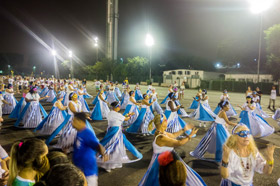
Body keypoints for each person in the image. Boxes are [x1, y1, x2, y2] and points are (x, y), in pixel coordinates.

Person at [138, 114, 206, 186]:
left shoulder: (161, 132)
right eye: (166, 120)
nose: (167, 121)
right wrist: (190, 135)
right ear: (163, 123)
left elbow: (173, 135)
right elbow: (179, 143)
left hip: (166, 157)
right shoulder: (161, 138)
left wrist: (184, 129)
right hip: (164, 162)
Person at [98, 102, 142, 172]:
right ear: (114, 107)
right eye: (118, 106)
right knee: (114, 147)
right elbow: (126, 119)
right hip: (116, 132)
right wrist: (130, 116)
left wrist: (128, 114)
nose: (119, 107)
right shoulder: (117, 114)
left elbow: (122, 117)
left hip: (111, 130)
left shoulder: (110, 113)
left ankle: (110, 164)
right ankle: (108, 165)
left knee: (109, 145)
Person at [72, 112, 107, 186]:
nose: (72, 123)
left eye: (74, 121)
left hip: (88, 169)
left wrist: (103, 153)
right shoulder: (79, 132)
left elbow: (97, 145)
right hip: (80, 167)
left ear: (80, 121)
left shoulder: (87, 133)